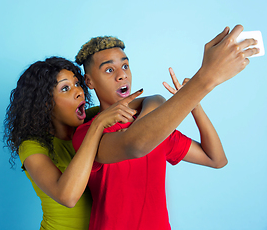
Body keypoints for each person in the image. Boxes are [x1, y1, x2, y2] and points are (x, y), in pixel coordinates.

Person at [72, 25, 259, 230]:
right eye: (109, 69)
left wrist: (195, 106)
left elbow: (216, 159)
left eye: (125, 66)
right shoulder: (88, 133)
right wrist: (204, 81)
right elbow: (136, 145)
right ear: (89, 81)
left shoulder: (159, 128)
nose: (121, 75)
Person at [3, 56, 143, 230]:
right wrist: (98, 125)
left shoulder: (91, 120)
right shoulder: (32, 146)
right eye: (65, 88)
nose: (79, 92)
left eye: (77, 84)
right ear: (46, 103)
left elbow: (146, 102)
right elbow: (67, 196)